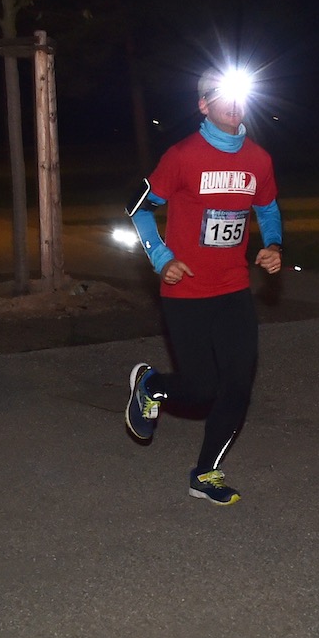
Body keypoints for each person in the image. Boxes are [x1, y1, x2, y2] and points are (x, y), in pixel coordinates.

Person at [124, 66, 283, 505]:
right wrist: (161, 258)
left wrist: (273, 245)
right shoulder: (182, 155)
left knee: (237, 384)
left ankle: (206, 472)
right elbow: (138, 208)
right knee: (201, 388)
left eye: (239, 94)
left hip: (233, 288)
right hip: (187, 290)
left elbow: (267, 209)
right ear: (203, 104)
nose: (233, 103)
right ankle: (151, 386)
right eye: (221, 95)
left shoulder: (258, 159)